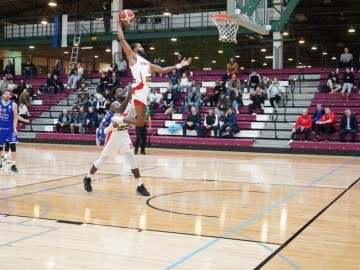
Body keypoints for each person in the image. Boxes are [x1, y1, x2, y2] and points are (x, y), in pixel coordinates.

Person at [116, 19, 191, 128]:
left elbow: (162, 70)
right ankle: (116, 119)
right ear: (135, 49)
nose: (142, 48)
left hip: (144, 89)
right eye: (140, 46)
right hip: (139, 88)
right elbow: (122, 39)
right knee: (140, 122)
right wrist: (118, 23)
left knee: (131, 121)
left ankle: (116, 124)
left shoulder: (146, 62)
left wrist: (180, 65)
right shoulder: (133, 56)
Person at [83, 89, 150, 196]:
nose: (121, 91)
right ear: (115, 95)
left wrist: (141, 100)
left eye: (122, 90)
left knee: (132, 159)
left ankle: (140, 185)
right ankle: (87, 178)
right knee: (102, 159)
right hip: (113, 135)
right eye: (119, 91)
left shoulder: (130, 104)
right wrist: (129, 96)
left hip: (124, 134)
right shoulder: (114, 104)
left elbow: (134, 116)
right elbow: (121, 109)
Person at [0, 90, 18, 173]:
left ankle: (13, 165)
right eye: (6, 94)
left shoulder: (14, 105)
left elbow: (15, 118)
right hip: (1, 129)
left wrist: (15, 128)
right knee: (0, 147)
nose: (7, 95)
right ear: (3, 95)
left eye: (9, 94)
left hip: (10, 129)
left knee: (13, 146)